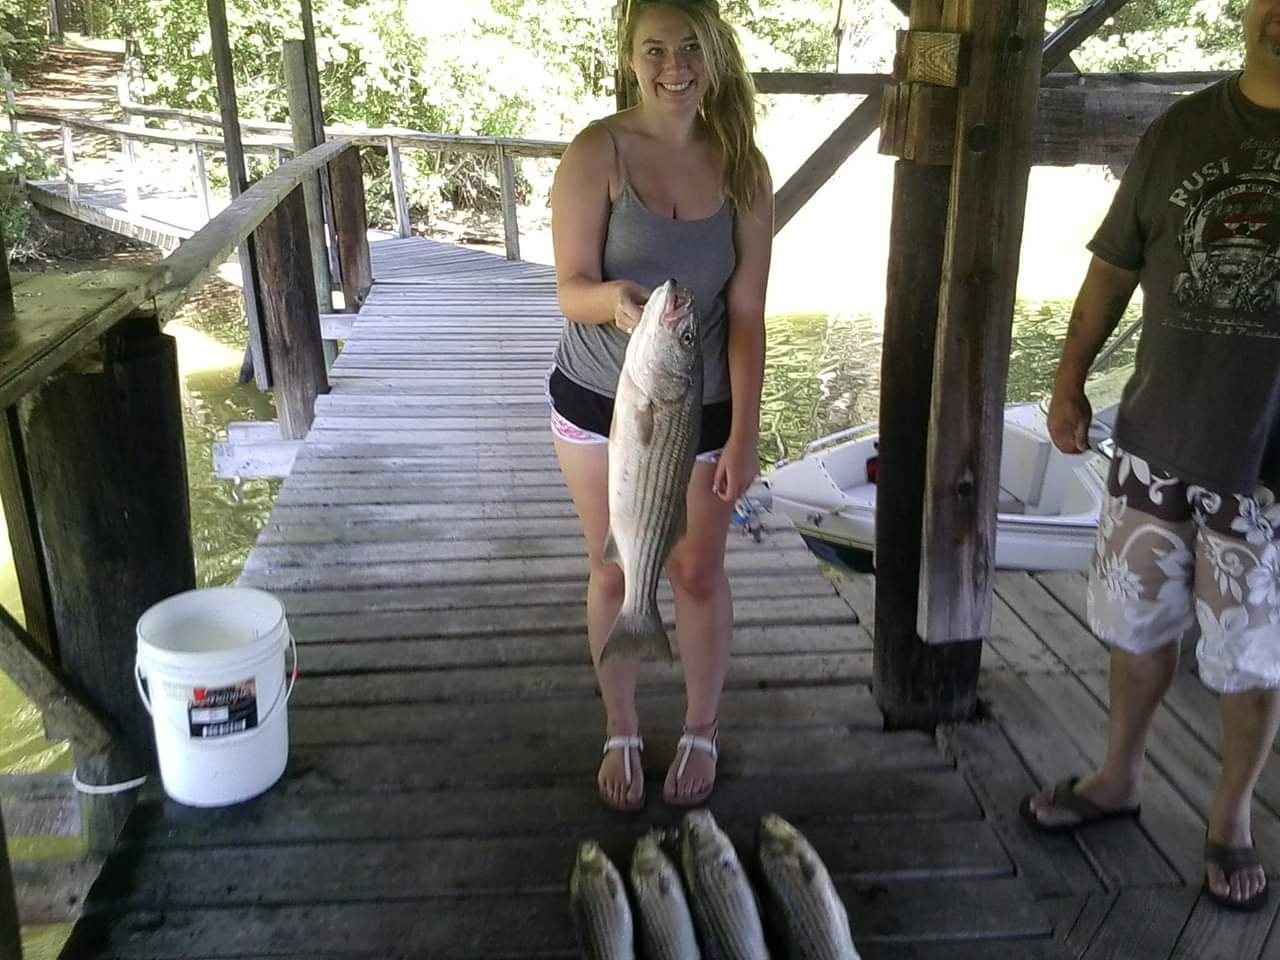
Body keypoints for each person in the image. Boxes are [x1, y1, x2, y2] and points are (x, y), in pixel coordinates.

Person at [1024, 0, 1280, 912]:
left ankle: (1232, 816)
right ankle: (1119, 778)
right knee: (1136, 632)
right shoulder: (1181, 129)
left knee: (1251, 660)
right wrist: (1067, 381)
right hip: (1157, 443)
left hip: (1267, 473)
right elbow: (1111, 269)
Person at [546, 0, 772, 812]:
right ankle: (621, 726)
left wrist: (744, 434)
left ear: (713, 56)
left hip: (698, 404)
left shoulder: (743, 166)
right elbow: (568, 288)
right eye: (655, 50)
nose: (673, 66)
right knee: (614, 564)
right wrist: (612, 300)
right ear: (630, 56)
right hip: (596, 399)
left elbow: (745, 314)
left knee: (697, 572)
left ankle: (701, 726)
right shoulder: (595, 152)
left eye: (688, 49)